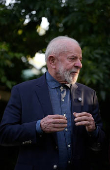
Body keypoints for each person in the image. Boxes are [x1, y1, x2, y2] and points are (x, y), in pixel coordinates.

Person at [0, 36, 105, 170]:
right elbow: (4, 135)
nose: (79, 64)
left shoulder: (89, 94)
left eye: (80, 59)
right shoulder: (23, 91)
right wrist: (39, 127)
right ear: (52, 61)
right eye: (73, 58)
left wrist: (93, 130)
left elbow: (100, 143)